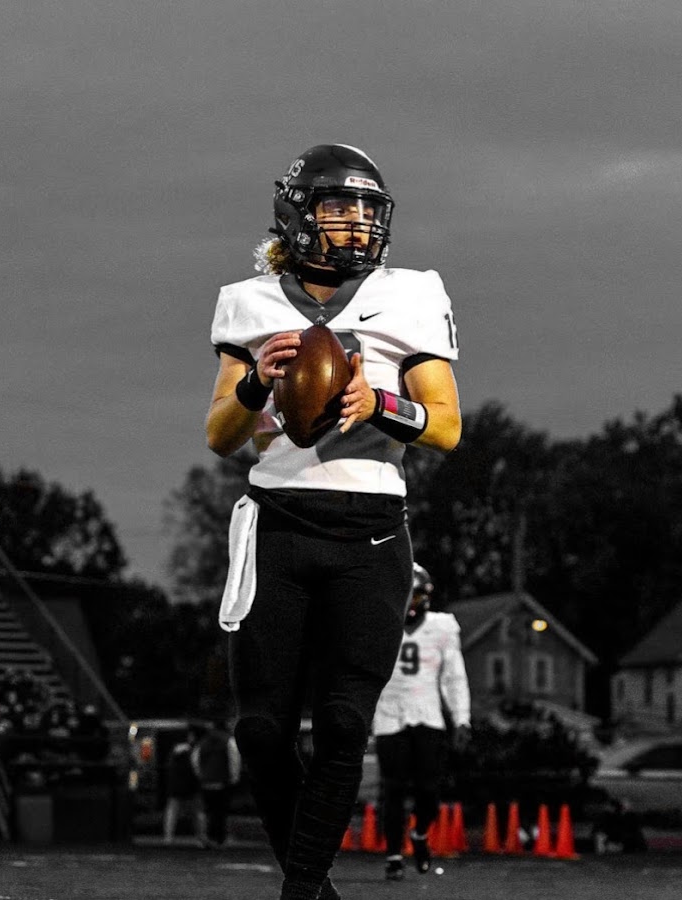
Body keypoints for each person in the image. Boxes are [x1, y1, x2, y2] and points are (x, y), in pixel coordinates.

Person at [206, 144, 462, 900]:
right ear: (297, 214)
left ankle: (301, 894)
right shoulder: (249, 302)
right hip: (277, 523)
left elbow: (447, 428)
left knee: (346, 724)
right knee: (260, 731)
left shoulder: (411, 294)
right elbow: (220, 436)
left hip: (369, 528)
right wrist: (255, 384)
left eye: (367, 209)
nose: (356, 223)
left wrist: (378, 403)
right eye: (338, 206)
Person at [372, 563, 471, 881]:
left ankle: (420, 834)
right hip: (389, 713)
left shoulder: (442, 627)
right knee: (393, 788)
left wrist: (462, 718)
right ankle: (394, 855)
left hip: (428, 713)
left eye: (413, 596)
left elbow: (454, 677)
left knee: (429, 790)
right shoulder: (378, 623)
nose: (408, 603)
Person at [191, 719, 242, 848]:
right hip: (222, 780)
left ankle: (206, 837)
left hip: (206, 781)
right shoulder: (228, 740)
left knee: (207, 810)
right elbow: (234, 759)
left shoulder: (203, 742)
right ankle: (219, 838)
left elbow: (195, 760)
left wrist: (201, 775)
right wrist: (234, 777)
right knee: (220, 811)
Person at [163, 726, 205, 845]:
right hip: (192, 784)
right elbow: (198, 768)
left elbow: (170, 765)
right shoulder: (197, 749)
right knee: (197, 812)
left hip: (177, 784)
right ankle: (200, 838)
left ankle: (168, 837)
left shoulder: (178, 749)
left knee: (172, 810)